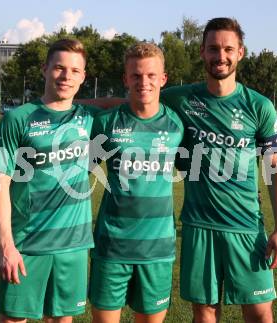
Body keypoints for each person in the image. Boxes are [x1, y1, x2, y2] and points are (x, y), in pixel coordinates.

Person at [160, 17, 277, 323]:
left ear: (241, 52)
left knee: (260, 312)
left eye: (228, 49)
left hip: (246, 226)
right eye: (213, 48)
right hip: (198, 225)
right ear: (202, 52)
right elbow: (133, 103)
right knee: (205, 313)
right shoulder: (181, 98)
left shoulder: (258, 106)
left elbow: (275, 169)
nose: (221, 56)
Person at [0, 39, 99, 323]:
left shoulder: (90, 118)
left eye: (75, 70)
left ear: (84, 77)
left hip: (73, 245)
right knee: (13, 319)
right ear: (44, 69)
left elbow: (129, 105)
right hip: (27, 244)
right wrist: (6, 246)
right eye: (59, 68)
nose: (66, 76)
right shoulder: (18, 119)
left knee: (61, 319)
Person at [88, 42, 184, 323]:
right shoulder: (107, 123)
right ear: (126, 79)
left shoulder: (176, 125)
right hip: (112, 246)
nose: (144, 82)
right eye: (137, 75)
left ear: (163, 79)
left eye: (151, 75)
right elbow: (84, 169)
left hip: (157, 250)